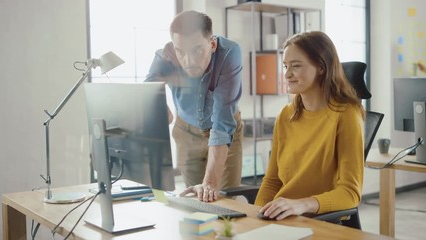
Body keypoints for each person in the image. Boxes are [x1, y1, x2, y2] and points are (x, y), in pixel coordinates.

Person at [255, 31, 365, 220]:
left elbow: (350, 193)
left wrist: (301, 204)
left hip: (319, 221)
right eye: (285, 66)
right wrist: (255, 217)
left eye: (296, 66)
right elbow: (272, 182)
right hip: (282, 219)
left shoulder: (346, 115)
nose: (287, 74)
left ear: (321, 67)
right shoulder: (285, 115)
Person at [145, 10, 243, 202]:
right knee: (196, 201)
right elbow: (147, 90)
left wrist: (210, 183)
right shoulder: (167, 56)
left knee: (225, 202)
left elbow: (222, 124)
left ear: (212, 44)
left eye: (197, 50)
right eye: (181, 51)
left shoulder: (229, 54)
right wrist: (161, 109)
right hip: (186, 133)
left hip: (225, 133)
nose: (188, 62)